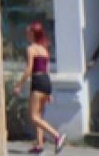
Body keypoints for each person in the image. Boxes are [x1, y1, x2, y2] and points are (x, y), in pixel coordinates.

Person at [15, 20, 65, 153]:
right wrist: (49, 93)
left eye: (28, 32)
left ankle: (57, 136)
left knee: (33, 117)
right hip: (46, 82)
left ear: (33, 33)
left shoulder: (31, 49)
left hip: (37, 81)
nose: (26, 35)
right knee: (39, 116)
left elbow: (29, 69)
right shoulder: (44, 49)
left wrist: (19, 85)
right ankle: (39, 145)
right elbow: (47, 70)